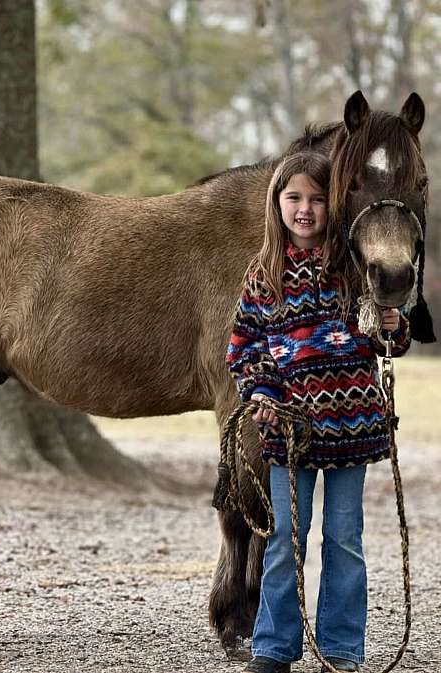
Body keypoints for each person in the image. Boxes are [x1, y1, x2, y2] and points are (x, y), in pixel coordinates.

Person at [225, 151, 410, 673]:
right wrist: (261, 392)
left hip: (352, 428)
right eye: (294, 198)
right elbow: (243, 347)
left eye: (317, 199)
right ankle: (274, 647)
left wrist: (392, 324)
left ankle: (342, 647)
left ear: (335, 205)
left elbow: (388, 339)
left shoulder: (353, 272)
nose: (305, 209)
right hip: (290, 432)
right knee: (285, 539)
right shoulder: (264, 277)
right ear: (277, 204)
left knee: (345, 541)